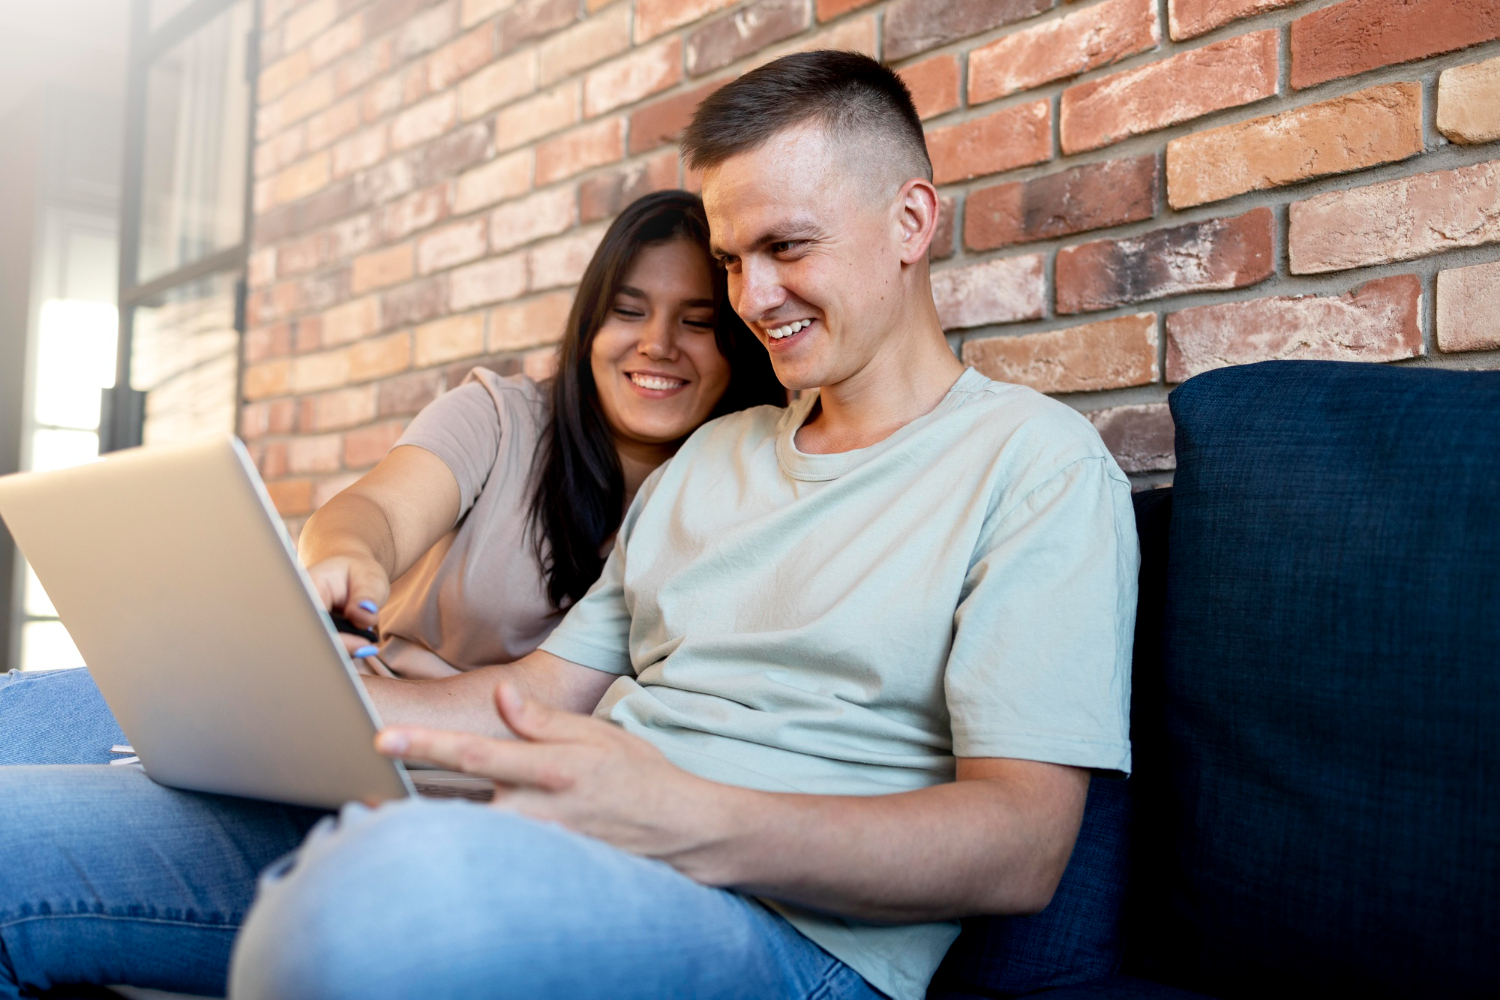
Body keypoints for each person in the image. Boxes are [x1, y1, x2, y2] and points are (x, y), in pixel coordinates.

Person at [0, 52, 1135, 1000]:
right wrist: (263, 704)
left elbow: (1024, 844)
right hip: (539, 839)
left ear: (911, 220)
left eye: (787, 249)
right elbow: (536, 697)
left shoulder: (1035, 466)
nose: (753, 298)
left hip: (787, 933)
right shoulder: (712, 459)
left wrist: (686, 816)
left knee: (362, 910)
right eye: (734, 261)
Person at [0, 189, 784, 765]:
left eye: (697, 322)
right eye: (628, 311)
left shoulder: (738, 492)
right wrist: (350, 557)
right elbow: (375, 510)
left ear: (741, 344)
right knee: (24, 721)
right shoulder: (504, 417)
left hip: (468, 787)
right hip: (344, 714)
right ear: (589, 326)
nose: (657, 344)